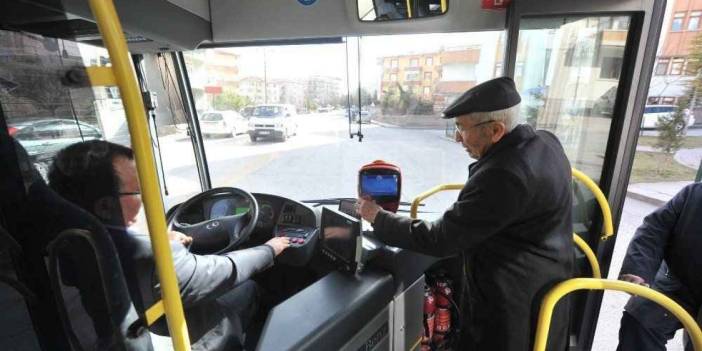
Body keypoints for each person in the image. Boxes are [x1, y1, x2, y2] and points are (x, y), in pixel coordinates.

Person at [356, 77, 574, 350]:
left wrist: (377, 216)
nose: (457, 137)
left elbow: (441, 238)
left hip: (512, 309)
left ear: (495, 130)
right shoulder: (545, 141)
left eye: (461, 128)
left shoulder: (504, 175)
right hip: (547, 286)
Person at [48, 140, 289, 351]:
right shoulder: (152, 255)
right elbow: (223, 271)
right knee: (250, 287)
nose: (144, 201)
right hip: (180, 340)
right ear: (104, 207)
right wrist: (269, 249)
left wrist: (164, 243)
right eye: (136, 192)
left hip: (127, 329)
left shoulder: (73, 239)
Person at [617, 183, 702, 351]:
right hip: (679, 279)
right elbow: (654, 230)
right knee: (641, 317)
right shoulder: (694, 194)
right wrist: (637, 269)